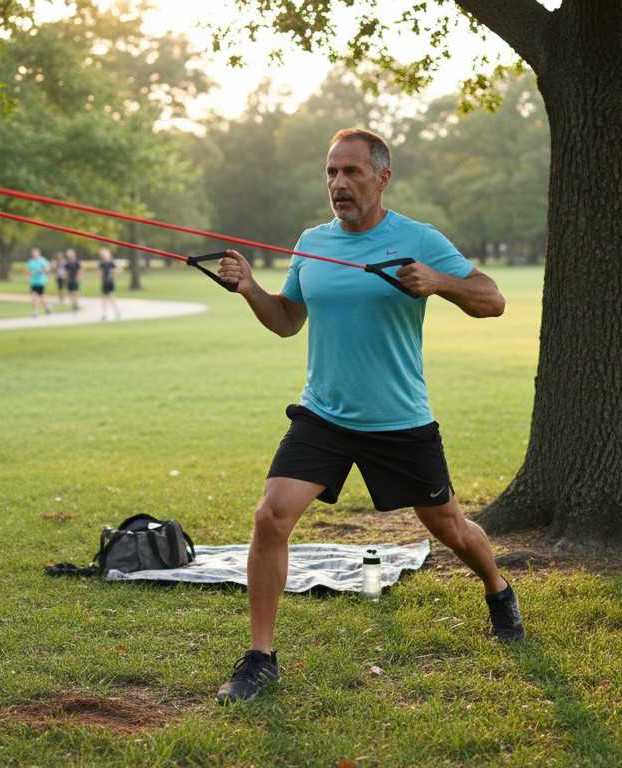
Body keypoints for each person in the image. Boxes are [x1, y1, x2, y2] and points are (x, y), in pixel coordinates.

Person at [213, 128, 523, 705]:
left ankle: (498, 588)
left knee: (449, 529)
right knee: (270, 517)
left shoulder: (418, 238)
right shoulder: (312, 243)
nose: (338, 183)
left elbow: (492, 299)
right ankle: (260, 658)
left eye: (352, 172)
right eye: (331, 172)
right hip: (324, 416)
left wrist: (440, 282)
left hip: (399, 421)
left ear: (382, 178)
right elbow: (286, 320)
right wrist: (251, 288)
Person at [27, 248, 52, 317]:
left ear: (38, 253)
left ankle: (42, 309)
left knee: (39, 297)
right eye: (33, 253)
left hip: (41, 281)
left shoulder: (42, 260)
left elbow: (48, 269)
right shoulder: (31, 262)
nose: (34, 254)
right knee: (35, 297)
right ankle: (40, 310)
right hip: (33, 282)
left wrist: (42, 270)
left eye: (35, 253)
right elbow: (29, 271)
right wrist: (29, 278)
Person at [98, 247, 121, 320]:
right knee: (104, 299)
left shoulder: (111, 263)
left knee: (112, 297)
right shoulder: (101, 263)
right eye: (103, 255)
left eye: (105, 255)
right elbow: (99, 273)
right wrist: (100, 277)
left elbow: (117, 270)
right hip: (104, 282)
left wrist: (113, 274)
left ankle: (116, 312)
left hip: (110, 282)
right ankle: (104, 314)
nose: (104, 256)